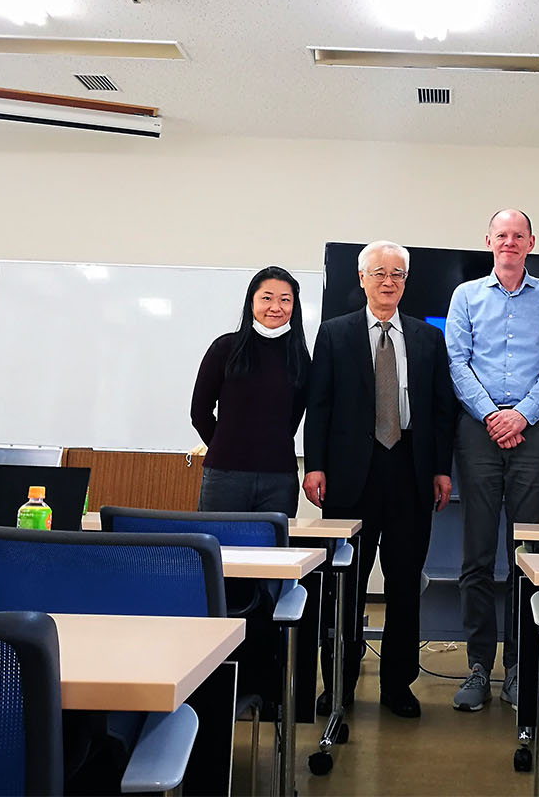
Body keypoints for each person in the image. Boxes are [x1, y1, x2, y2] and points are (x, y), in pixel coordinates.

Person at [303, 240, 456, 719]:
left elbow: (440, 411)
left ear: (405, 282)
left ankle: (397, 686)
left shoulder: (429, 338)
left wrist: (440, 469)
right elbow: (319, 406)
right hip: (351, 473)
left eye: (397, 274)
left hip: (410, 468)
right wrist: (314, 465)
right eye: (379, 273)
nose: (388, 281)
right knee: (344, 584)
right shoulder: (334, 334)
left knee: (405, 584)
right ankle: (340, 685)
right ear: (362, 278)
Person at [445, 209, 539, 710]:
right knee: (476, 554)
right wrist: (491, 414)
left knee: (525, 555)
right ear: (489, 241)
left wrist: (520, 416)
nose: (510, 242)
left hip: (534, 434)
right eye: (502, 235)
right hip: (477, 433)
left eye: (518, 235)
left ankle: (519, 666)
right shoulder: (466, 296)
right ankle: (478, 666)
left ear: (531, 242)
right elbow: (457, 360)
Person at [190, 267, 310, 516]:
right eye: (267, 298)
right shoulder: (225, 348)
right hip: (224, 477)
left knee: (274, 552)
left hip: (279, 479)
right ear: (251, 301)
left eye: (285, 300)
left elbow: (293, 419)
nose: (275, 307)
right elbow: (199, 411)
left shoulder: (299, 357)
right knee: (220, 551)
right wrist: (226, 447)